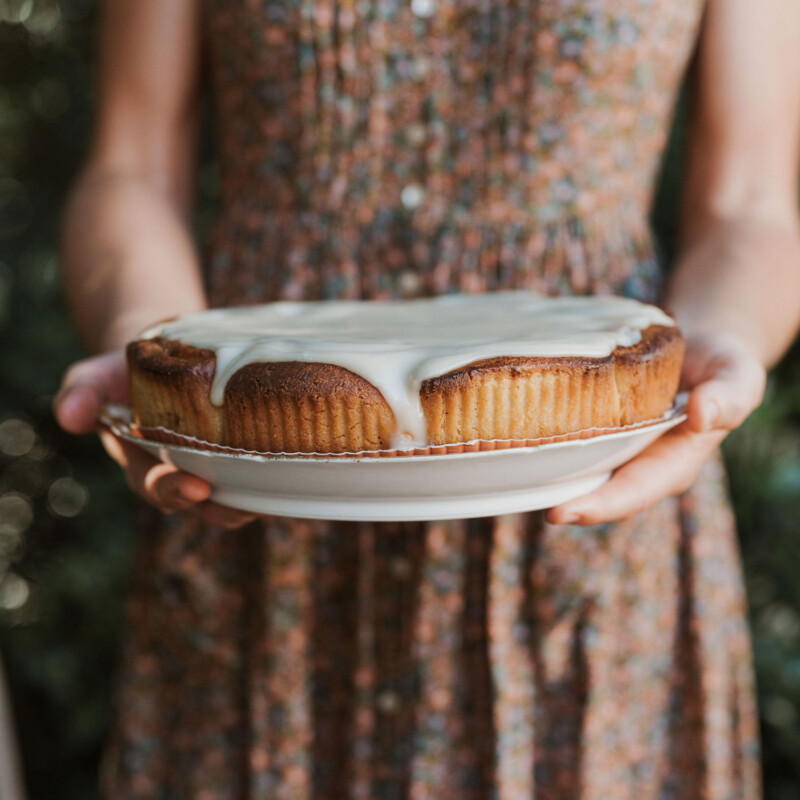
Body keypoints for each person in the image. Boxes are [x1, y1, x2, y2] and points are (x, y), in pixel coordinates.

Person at [54, 0, 800, 796]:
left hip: (599, 495)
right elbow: (130, 166)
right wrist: (152, 347)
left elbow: (748, 203)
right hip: (255, 472)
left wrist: (723, 340)